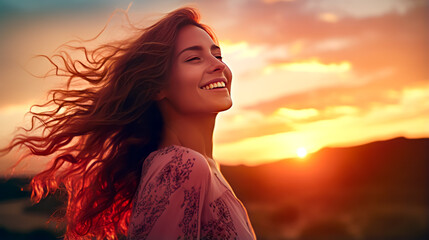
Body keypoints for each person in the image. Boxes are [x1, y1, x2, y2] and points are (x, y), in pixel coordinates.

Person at [0, 7, 256, 239]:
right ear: (157, 87)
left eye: (218, 55)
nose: (218, 65)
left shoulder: (205, 168)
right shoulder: (181, 167)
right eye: (193, 58)